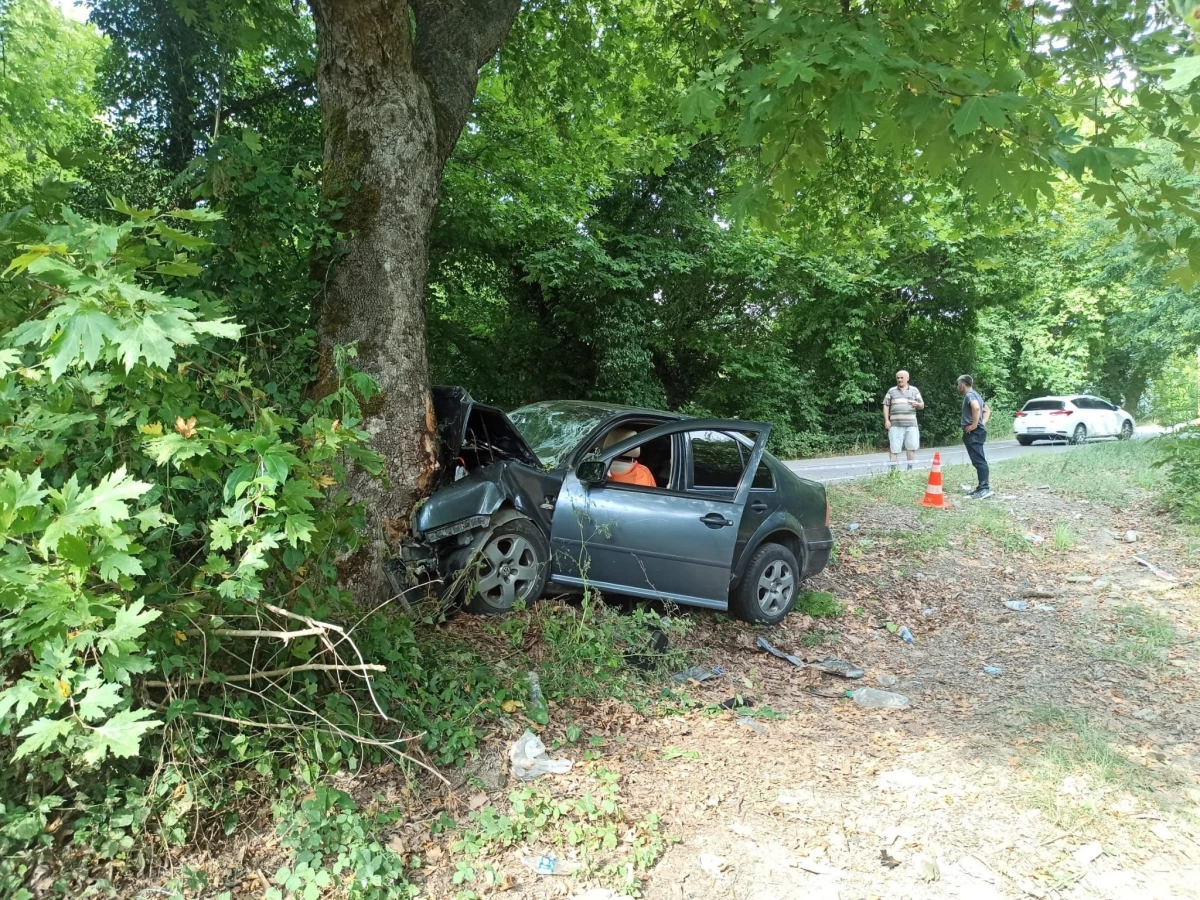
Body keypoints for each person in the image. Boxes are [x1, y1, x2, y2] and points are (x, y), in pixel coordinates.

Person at [957, 375, 992, 499]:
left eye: (958, 385)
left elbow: (976, 407)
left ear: (962, 384)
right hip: (978, 431)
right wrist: (982, 423)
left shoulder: (970, 395)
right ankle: (981, 487)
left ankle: (985, 488)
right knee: (978, 459)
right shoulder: (976, 394)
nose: (958, 387)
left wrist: (974, 425)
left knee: (979, 460)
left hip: (974, 433)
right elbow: (987, 410)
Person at [883, 370, 924, 471]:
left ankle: (909, 470)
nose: (899, 380)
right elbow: (886, 405)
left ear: (907, 378)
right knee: (894, 448)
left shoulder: (914, 390)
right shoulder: (891, 391)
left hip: (911, 424)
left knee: (911, 447)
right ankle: (893, 471)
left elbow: (922, 405)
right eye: (898, 378)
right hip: (895, 424)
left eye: (901, 378)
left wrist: (918, 405)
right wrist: (887, 420)